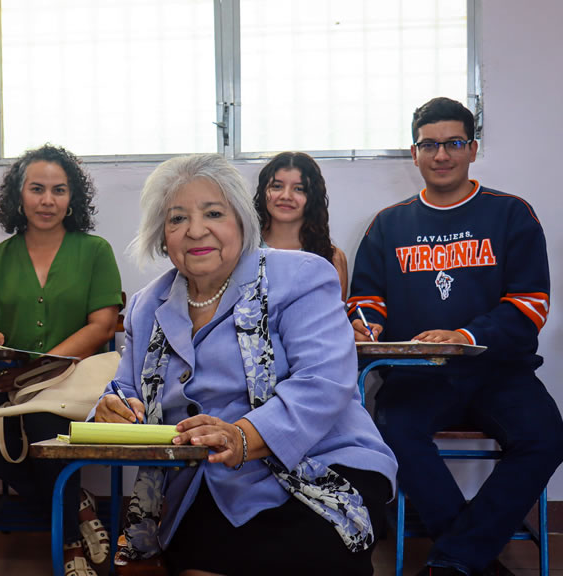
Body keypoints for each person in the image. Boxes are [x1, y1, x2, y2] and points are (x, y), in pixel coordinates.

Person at [95, 153, 396, 575]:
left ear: (242, 221)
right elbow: (126, 389)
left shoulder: (302, 275)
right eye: (177, 218)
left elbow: (324, 382)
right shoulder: (149, 306)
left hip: (320, 464)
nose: (195, 230)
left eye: (213, 213)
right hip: (213, 482)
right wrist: (112, 409)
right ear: (163, 237)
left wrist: (243, 436)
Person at [348, 97, 563, 576]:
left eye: (454, 143)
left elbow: (530, 304)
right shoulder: (389, 224)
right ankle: (469, 557)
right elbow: (366, 296)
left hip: (499, 372)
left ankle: (452, 558)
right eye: (430, 144)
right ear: (414, 152)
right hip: (418, 376)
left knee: (546, 436)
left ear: (472, 148)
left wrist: (463, 335)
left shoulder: (510, 214)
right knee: (391, 430)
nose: (441, 154)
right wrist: (367, 321)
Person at [0, 144, 122, 576]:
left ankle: (68, 546)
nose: (48, 200)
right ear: (19, 196)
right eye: (37, 189)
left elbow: (103, 326)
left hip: (72, 382)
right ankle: (76, 505)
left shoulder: (96, 250)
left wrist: (43, 367)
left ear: (72, 198)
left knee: (46, 429)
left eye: (59, 190)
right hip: (9, 379)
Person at [254, 151, 348, 299]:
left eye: (299, 189)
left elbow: (333, 318)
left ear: (313, 197)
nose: (286, 196)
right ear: (263, 191)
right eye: (277, 186)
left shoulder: (332, 258)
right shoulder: (242, 250)